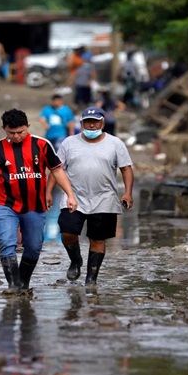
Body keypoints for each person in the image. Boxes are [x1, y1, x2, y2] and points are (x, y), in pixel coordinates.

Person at [0, 109, 78, 293]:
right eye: (12, 133)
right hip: (6, 204)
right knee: (6, 242)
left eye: (21, 132)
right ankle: (13, 285)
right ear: (4, 129)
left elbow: (57, 170)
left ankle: (23, 282)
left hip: (35, 206)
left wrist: (70, 195)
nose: (17, 136)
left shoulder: (42, 145)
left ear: (28, 126)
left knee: (33, 247)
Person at [47, 106, 134, 287]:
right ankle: (76, 259)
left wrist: (127, 192)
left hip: (104, 198)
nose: (92, 125)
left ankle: (91, 279)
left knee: (97, 239)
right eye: (88, 122)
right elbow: (57, 169)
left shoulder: (115, 143)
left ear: (103, 122)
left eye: (95, 121)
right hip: (74, 197)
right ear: (82, 123)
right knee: (67, 233)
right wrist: (48, 192)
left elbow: (126, 168)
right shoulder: (69, 143)